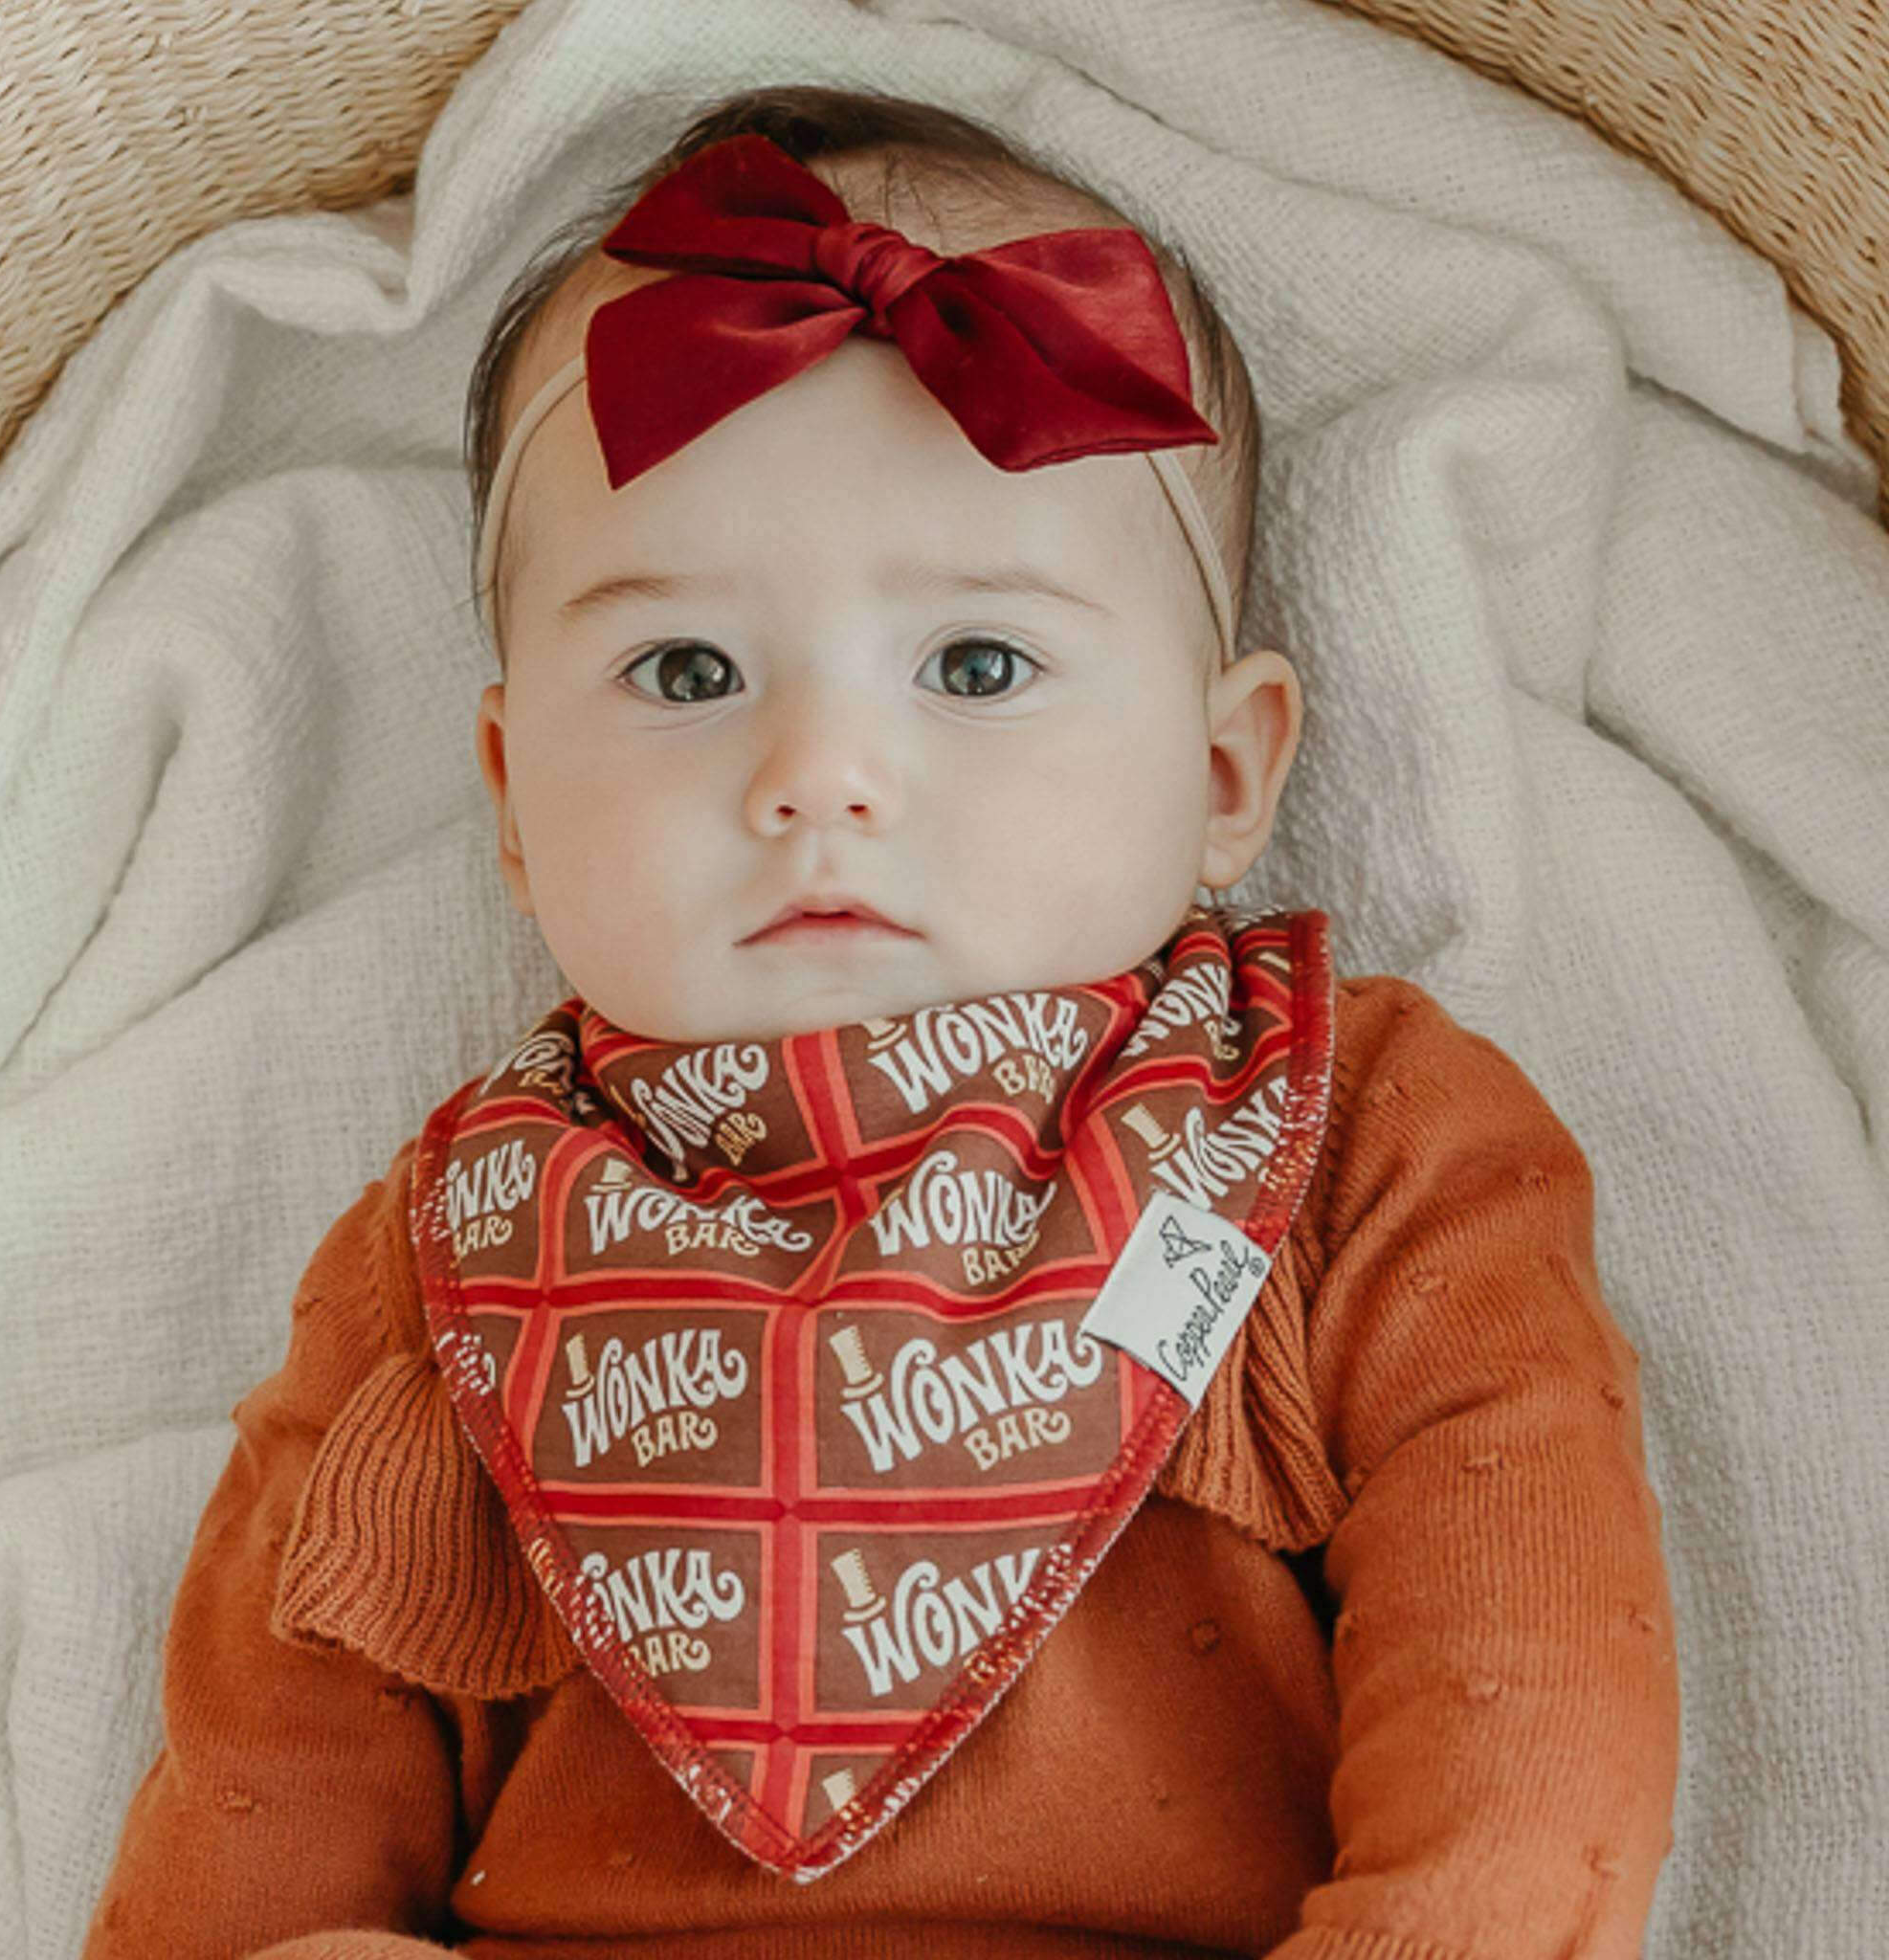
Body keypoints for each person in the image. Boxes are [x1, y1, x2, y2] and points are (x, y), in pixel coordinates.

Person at [83, 82, 1679, 1960]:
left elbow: (1529, 1668)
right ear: (514, 799)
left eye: (977, 663)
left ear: (1225, 771)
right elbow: (270, 1766)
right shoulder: (466, 1240)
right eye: (686, 667)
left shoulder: (1347, 1133)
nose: (819, 771)